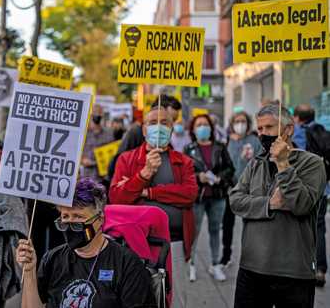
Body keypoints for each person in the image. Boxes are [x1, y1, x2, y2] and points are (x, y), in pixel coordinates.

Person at [230, 104, 326, 308]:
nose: (263, 134)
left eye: (269, 128)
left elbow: (302, 205)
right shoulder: (257, 163)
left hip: (293, 272)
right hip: (252, 268)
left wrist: (283, 164)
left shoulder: (312, 163)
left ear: (288, 129)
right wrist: (269, 204)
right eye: (260, 129)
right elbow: (236, 200)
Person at [16, 177, 157, 308]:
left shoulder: (126, 264)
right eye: (65, 216)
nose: (71, 224)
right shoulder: (52, 259)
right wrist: (29, 272)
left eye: (78, 216)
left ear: (100, 219)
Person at [109, 104, 198, 308]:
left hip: (174, 242)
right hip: (134, 244)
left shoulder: (183, 162)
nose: (159, 126)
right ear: (143, 129)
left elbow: (189, 194)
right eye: (152, 122)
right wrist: (144, 175)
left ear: (172, 128)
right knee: (136, 297)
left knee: (175, 298)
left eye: (164, 122)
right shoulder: (127, 159)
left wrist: (148, 192)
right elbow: (116, 198)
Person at [184, 114, 234, 282]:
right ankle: (191, 264)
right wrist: (198, 177)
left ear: (211, 128)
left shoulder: (220, 147)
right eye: (199, 125)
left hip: (218, 195)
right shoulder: (189, 149)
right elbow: (184, 173)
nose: (202, 127)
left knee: (215, 230)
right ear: (193, 129)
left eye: (205, 124)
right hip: (197, 197)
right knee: (195, 231)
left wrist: (220, 177)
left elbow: (230, 168)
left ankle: (215, 264)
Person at [293, 104, 330, 287]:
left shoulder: (297, 133)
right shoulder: (324, 131)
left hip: (304, 189)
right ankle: (320, 269)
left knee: (300, 226)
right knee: (319, 228)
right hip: (323, 189)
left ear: (298, 118)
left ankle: (303, 268)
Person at [222, 111, 262, 268]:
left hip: (250, 189)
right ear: (232, 124)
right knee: (227, 224)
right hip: (230, 189)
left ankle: (252, 255)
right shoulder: (227, 142)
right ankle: (226, 255)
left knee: (250, 223)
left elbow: (260, 162)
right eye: (237, 121)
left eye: (243, 121)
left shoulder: (254, 140)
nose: (240, 124)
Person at [81, 104, 114, 180]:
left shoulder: (109, 133)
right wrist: (82, 160)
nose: (97, 115)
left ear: (102, 115)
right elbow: (78, 152)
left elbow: (112, 153)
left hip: (103, 176)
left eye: (99, 113)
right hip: (87, 175)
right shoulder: (84, 133)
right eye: (95, 112)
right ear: (91, 115)